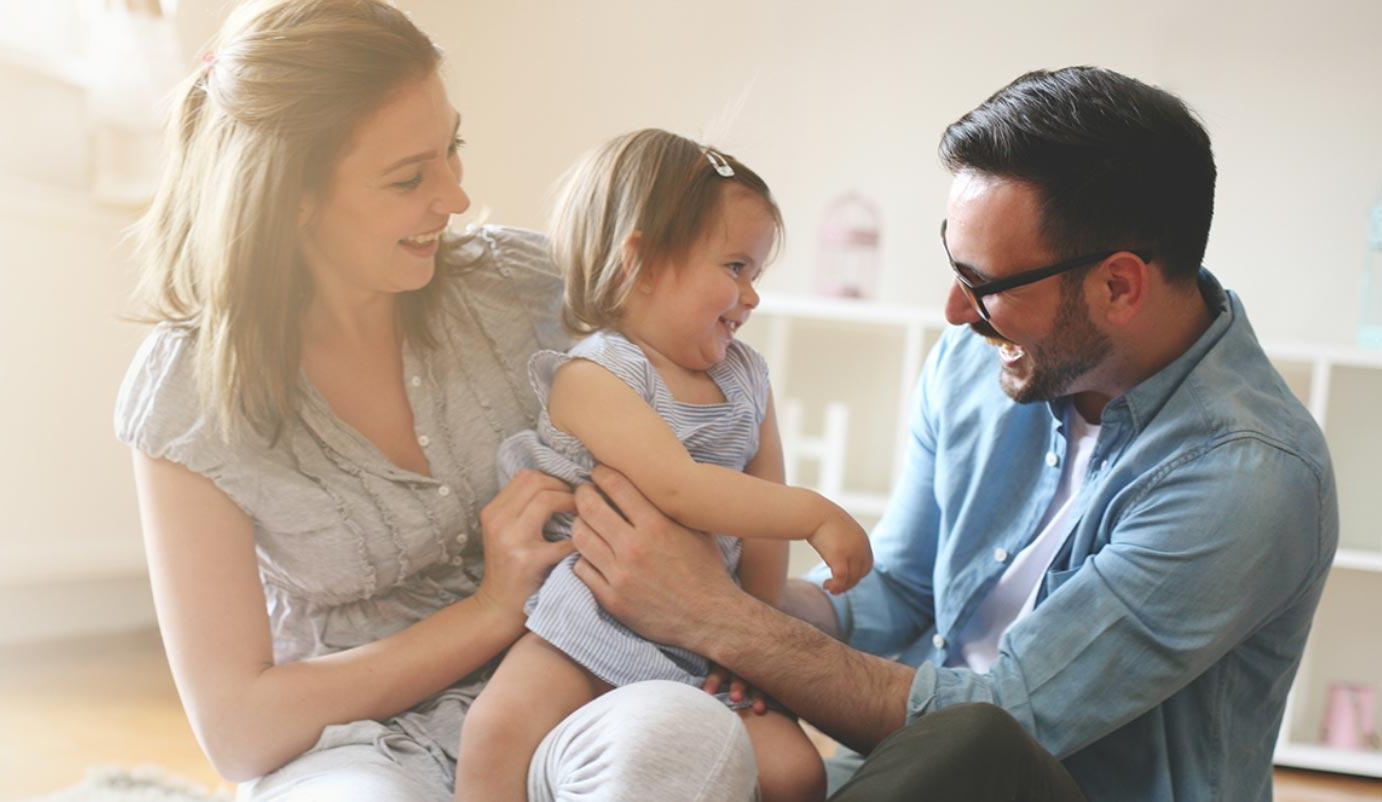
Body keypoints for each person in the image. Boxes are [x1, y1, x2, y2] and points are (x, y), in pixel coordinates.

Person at [555, 66, 1337, 801]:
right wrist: (682, 583)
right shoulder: (980, 364)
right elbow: (896, 596)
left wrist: (713, 617)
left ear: (1118, 285)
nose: (956, 312)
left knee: (973, 744)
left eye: (986, 284)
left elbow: (1007, 719)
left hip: (1019, 770)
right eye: (953, 264)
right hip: (917, 768)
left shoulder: (1248, 476)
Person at [114, 1, 757, 799]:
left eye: (450, 149)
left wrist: (737, 607)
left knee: (682, 742)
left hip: (578, 689)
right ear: (291, 198)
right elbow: (241, 732)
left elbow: (726, 382)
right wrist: (491, 609)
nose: (455, 197)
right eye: (408, 177)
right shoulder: (187, 395)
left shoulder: (526, 289)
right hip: (350, 747)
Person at [453, 129, 870, 802]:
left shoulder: (747, 381)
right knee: (495, 731)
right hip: (584, 623)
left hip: (700, 638)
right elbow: (680, 489)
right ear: (641, 263)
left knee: (797, 771)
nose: (752, 296)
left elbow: (763, 521)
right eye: (735, 268)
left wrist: (753, 642)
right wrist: (818, 514)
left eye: (756, 275)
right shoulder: (595, 374)